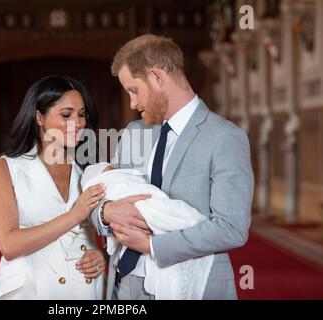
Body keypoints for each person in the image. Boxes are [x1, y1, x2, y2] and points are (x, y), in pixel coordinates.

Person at [90, 34, 254, 300]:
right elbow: (99, 196)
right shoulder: (133, 133)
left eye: (134, 90)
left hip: (191, 284)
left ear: (156, 77)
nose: (132, 103)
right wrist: (106, 211)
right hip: (124, 283)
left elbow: (231, 228)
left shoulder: (225, 137)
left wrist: (153, 246)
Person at [0, 75, 106, 300]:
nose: (78, 123)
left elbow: (91, 237)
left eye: (81, 114)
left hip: (84, 290)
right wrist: (74, 215)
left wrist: (99, 257)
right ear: (39, 117)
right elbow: (9, 245)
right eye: (66, 115)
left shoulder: (88, 171)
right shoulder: (4, 169)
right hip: (30, 290)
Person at [81, 162, 214, 299]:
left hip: (176, 261)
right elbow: (89, 201)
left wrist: (151, 246)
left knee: (176, 216)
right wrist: (106, 210)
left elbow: (228, 228)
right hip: (127, 275)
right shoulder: (128, 144)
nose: (114, 169)